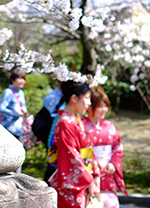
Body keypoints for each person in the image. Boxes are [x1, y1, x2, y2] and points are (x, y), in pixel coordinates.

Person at [49, 80, 100, 208]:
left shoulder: (76, 118)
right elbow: (71, 155)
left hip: (84, 176)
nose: (89, 103)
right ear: (74, 98)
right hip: (76, 182)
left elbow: (87, 150)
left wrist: (95, 174)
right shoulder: (65, 122)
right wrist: (89, 181)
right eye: (87, 98)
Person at [82, 86, 128, 208]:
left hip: (107, 172)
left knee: (110, 203)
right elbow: (82, 150)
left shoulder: (109, 125)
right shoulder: (80, 125)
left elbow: (118, 147)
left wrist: (113, 163)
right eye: (100, 106)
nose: (104, 110)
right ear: (90, 106)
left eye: (105, 106)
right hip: (88, 171)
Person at [0, 68, 28, 172]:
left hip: (19, 129)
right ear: (13, 80)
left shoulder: (21, 93)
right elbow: (0, 109)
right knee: (8, 158)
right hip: (9, 130)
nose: (22, 81)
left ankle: (18, 179)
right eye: (19, 78)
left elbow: (22, 106)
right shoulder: (8, 92)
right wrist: (15, 113)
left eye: (23, 79)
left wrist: (24, 110)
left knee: (19, 157)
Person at [41, 82, 63, 184]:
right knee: (52, 168)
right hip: (54, 141)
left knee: (52, 168)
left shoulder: (63, 103)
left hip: (53, 139)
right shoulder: (63, 108)